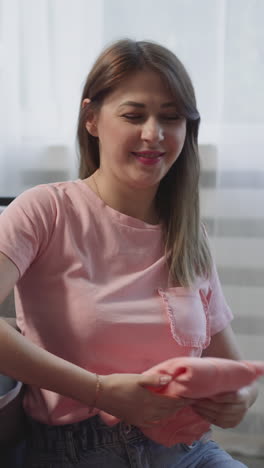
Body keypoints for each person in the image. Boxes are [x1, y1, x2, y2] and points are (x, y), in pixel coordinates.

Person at [0, 38, 257, 467]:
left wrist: (242, 398)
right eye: (134, 115)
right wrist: (98, 391)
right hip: (75, 452)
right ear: (92, 119)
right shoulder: (45, 210)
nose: (154, 133)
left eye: (171, 118)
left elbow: (236, 368)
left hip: (187, 451)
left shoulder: (190, 236)